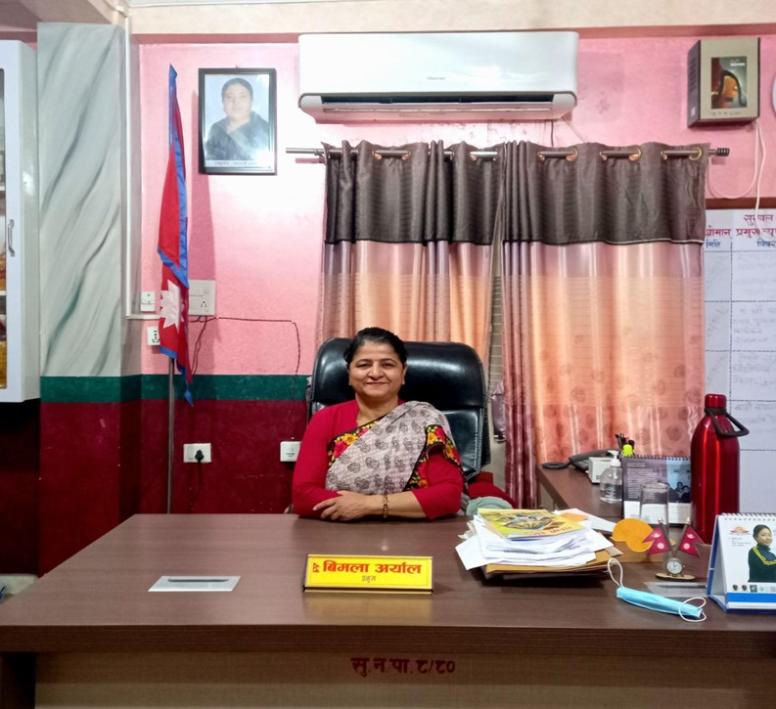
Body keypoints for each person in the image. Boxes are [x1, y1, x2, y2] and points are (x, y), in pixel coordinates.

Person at [292, 327, 464, 521]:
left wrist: (368, 505)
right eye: (364, 364)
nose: (375, 373)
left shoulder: (426, 421)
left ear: (403, 372)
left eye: (387, 364)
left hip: (416, 534)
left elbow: (449, 496)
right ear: (349, 373)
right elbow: (303, 496)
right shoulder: (326, 419)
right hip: (340, 533)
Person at [204, 77, 269, 162]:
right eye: (229, 97)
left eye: (242, 97)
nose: (236, 102)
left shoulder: (265, 129)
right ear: (223, 103)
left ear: (251, 101)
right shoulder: (216, 129)